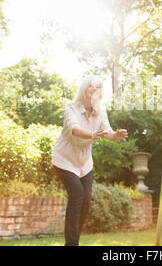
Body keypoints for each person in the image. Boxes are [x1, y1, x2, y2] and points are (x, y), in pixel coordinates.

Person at [51, 75, 128, 246]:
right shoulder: (71, 107)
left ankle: (74, 239)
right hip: (64, 158)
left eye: (98, 87)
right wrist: (92, 134)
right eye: (90, 86)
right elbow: (74, 129)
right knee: (77, 194)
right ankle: (71, 243)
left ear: (101, 92)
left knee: (86, 199)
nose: (94, 89)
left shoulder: (100, 111)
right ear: (84, 89)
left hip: (84, 163)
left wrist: (115, 135)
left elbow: (107, 131)